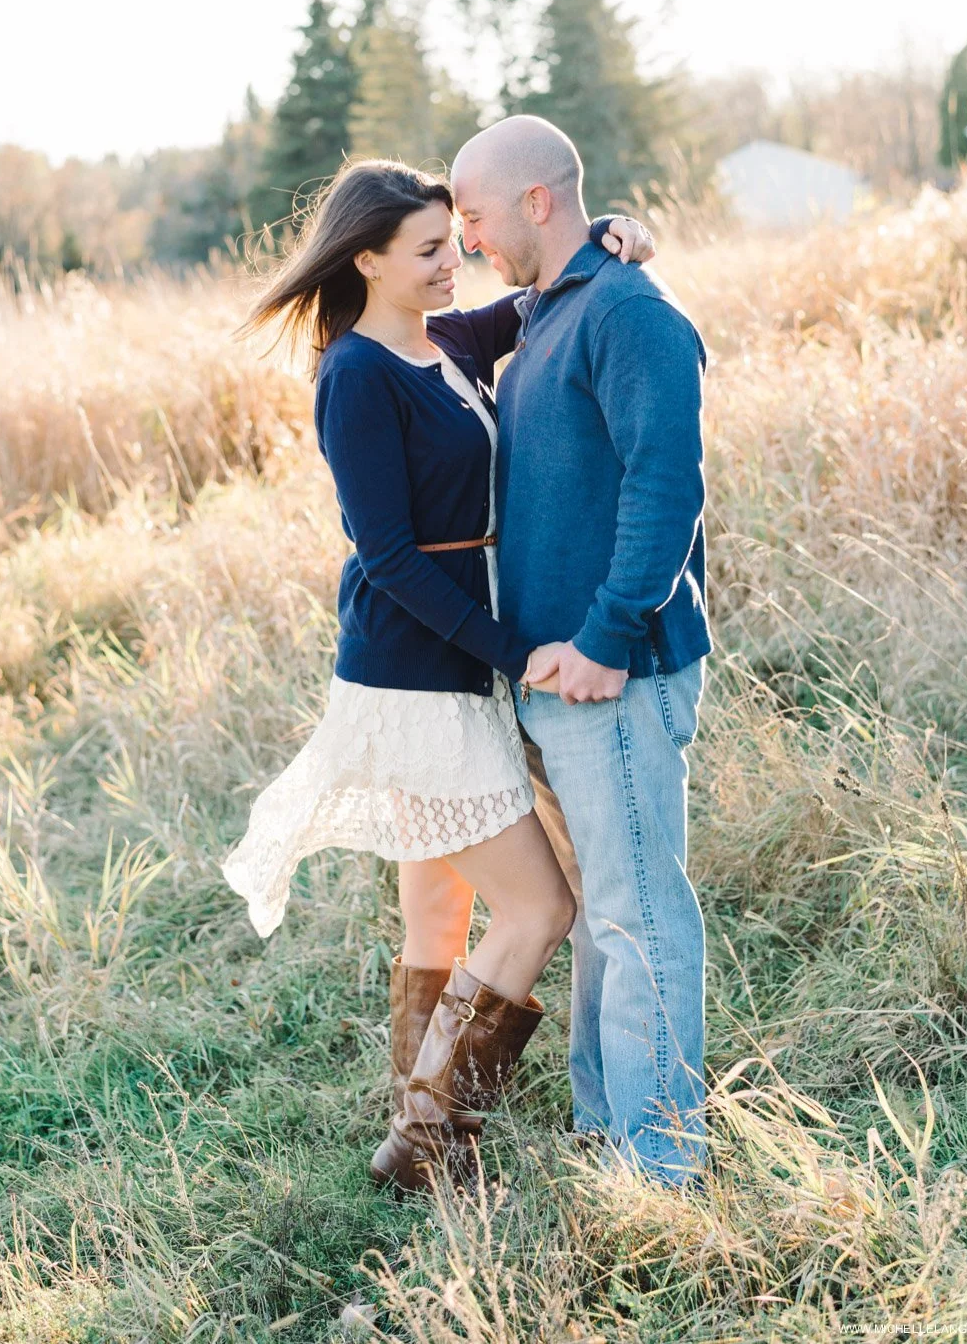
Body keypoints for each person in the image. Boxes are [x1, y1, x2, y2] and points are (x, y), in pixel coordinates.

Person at [221, 158, 653, 1193]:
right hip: (414, 671)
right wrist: (519, 651)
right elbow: (390, 558)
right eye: (426, 251)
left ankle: (417, 1119)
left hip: (445, 662)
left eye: (453, 239)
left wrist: (614, 236)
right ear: (365, 260)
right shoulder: (357, 375)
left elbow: (535, 295)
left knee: (437, 916)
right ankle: (429, 1134)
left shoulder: (443, 339)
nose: (452, 260)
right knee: (541, 909)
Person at [450, 115, 712, 1187]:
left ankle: (663, 1166)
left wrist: (606, 638)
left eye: (474, 216)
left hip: (618, 671)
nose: (467, 240)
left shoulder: (629, 315)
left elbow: (666, 485)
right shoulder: (551, 308)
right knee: (610, 909)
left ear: (536, 203)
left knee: (640, 910)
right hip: (559, 678)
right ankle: (608, 1127)